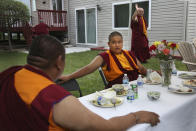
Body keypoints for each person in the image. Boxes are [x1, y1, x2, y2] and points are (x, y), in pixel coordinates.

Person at [0, 35, 160, 130]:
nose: (117, 44)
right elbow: (107, 128)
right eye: (114, 42)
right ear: (59, 62)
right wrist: (137, 117)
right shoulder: (56, 99)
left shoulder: (11, 74)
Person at [60, 31, 147, 88]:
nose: (117, 45)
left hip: (137, 86)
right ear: (109, 44)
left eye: (119, 42)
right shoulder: (104, 56)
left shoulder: (129, 54)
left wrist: (155, 73)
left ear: (122, 43)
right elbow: (89, 68)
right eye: (113, 42)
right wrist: (69, 77)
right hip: (118, 90)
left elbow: (142, 70)